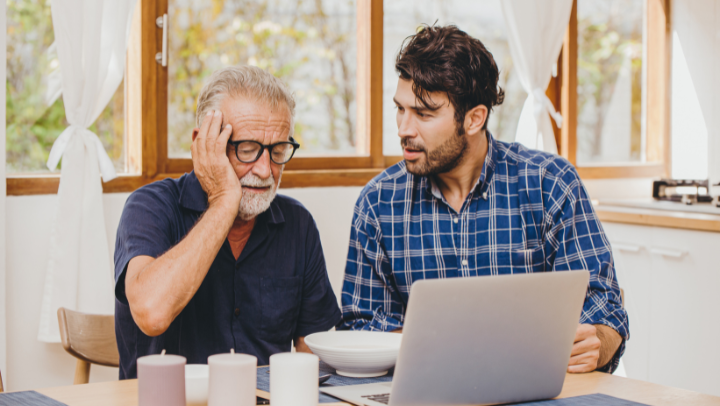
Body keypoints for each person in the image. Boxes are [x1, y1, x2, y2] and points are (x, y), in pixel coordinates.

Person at [338, 25, 628, 374]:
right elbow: (361, 325)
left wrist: (597, 342)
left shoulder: (551, 185)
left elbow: (605, 307)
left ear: (475, 118)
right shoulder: (377, 203)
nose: (403, 129)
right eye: (400, 109)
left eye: (424, 113)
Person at [114, 66, 340, 379]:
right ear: (203, 143)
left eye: (277, 151)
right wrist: (223, 201)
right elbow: (152, 313)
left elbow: (312, 355)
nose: (265, 170)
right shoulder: (150, 206)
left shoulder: (297, 225)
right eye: (247, 150)